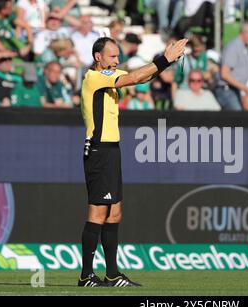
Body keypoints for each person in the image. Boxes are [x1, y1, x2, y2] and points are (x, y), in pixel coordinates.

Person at [79, 36, 187, 287]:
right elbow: (134, 78)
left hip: (112, 149)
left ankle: (112, 274)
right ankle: (85, 275)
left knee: (114, 212)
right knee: (97, 211)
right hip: (98, 150)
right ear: (98, 57)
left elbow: (143, 76)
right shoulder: (94, 77)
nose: (117, 60)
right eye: (112, 56)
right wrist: (164, 59)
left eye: (118, 56)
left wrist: (165, 63)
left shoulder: (109, 75)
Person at [215, 22, 248, 111]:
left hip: (235, 90)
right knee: (237, 119)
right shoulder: (233, 47)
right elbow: (224, 74)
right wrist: (245, 88)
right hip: (226, 91)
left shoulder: (244, 47)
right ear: (245, 32)